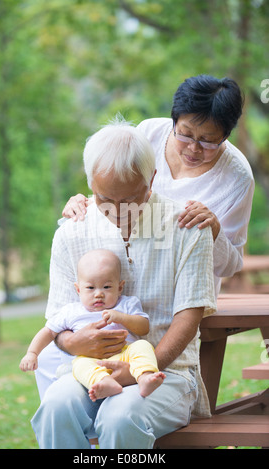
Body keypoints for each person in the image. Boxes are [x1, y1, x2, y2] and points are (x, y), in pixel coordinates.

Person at [31, 118, 216, 449]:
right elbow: (57, 322)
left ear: (152, 179)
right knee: (55, 408)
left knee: (120, 415)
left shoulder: (188, 227)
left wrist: (138, 371)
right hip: (87, 373)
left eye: (131, 198)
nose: (118, 212)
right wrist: (73, 343)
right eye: (104, 199)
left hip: (166, 375)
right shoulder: (71, 233)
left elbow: (189, 317)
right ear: (89, 183)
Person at [62, 75, 255, 298]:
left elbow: (231, 266)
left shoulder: (237, 178)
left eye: (208, 140)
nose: (193, 148)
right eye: (185, 134)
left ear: (226, 135)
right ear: (174, 120)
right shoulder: (149, 134)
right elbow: (118, 189)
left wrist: (214, 231)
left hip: (186, 292)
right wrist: (87, 201)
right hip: (124, 282)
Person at [20, 248, 165, 401]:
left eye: (107, 287)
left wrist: (121, 318)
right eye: (90, 288)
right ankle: (104, 383)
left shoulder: (126, 304)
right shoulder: (71, 311)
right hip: (92, 360)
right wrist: (32, 353)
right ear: (78, 289)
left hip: (126, 356)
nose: (98, 294)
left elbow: (144, 327)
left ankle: (145, 377)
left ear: (120, 287)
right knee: (79, 364)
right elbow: (48, 332)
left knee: (142, 346)